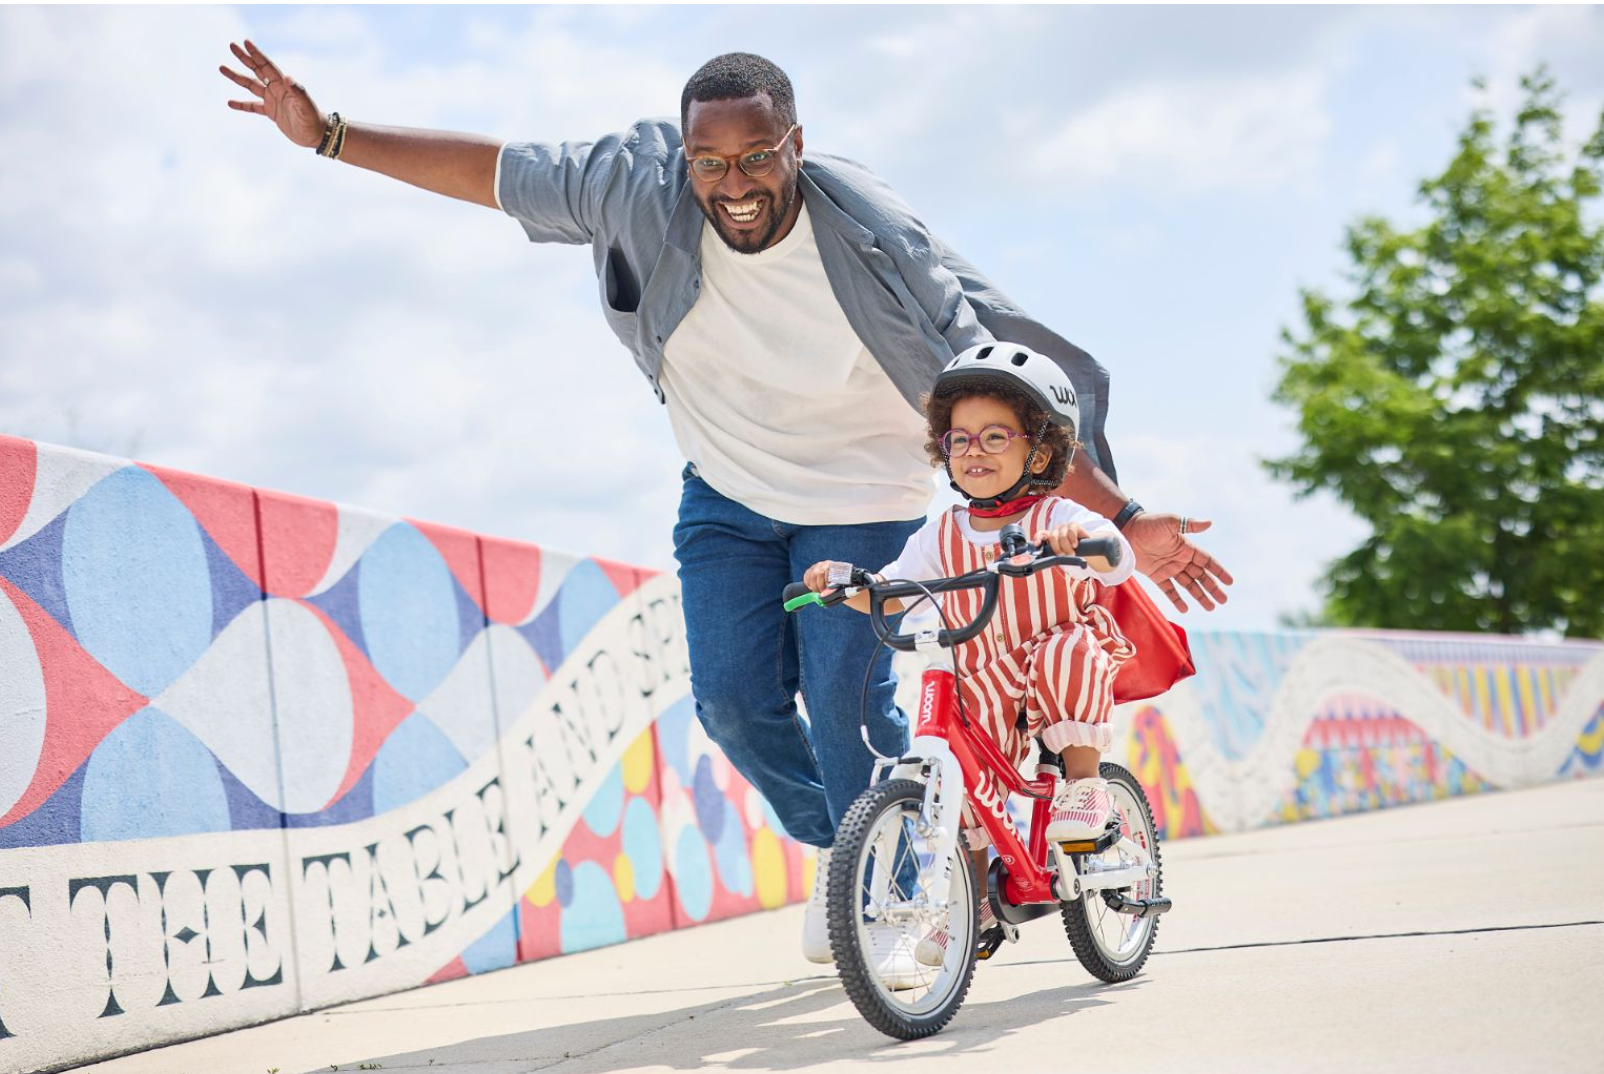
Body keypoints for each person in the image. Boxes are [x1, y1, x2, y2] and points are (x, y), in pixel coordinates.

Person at [219, 42, 1234, 973]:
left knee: (843, 710)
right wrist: (330, 136)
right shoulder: (631, 183)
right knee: (733, 705)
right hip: (726, 494)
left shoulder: (873, 237)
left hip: (862, 493)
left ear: (793, 143)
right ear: (686, 157)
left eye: (756, 158)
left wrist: (1120, 512)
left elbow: (994, 385)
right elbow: (490, 174)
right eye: (711, 164)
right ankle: (863, 855)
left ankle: (904, 890)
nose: (734, 184)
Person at [802, 342, 1134, 975]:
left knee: (1066, 650)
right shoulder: (943, 531)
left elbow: (1118, 559)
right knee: (948, 765)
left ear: (1038, 450)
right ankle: (972, 895)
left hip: (1051, 668)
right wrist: (845, 583)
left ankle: (1085, 786)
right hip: (983, 674)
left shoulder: (1057, 515)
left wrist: (1082, 544)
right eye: (959, 440)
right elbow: (893, 592)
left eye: (994, 437)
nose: (973, 451)